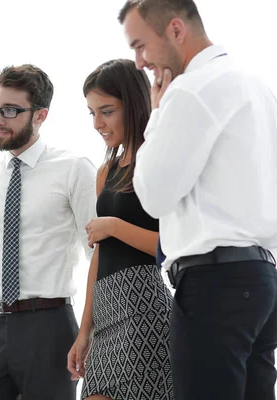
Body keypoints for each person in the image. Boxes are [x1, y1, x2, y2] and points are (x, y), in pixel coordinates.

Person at [119, 1, 277, 399]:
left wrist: (156, 114)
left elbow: (153, 196)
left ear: (175, 30)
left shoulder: (190, 89)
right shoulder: (255, 85)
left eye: (141, 45)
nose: (139, 62)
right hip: (262, 282)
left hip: (215, 286)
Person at [0, 64, 97, 399]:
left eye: (11, 110)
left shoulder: (73, 170)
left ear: (41, 115)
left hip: (49, 327)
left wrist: (91, 329)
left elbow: (98, 255)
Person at [67, 59, 173, 400]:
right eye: (92, 112)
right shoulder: (105, 172)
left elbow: (172, 244)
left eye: (107, 111)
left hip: (146, 311)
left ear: (134, 104)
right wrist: (85, 331)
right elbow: (99, 255)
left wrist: (114, 225)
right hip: (107, 312)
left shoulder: (156, 164)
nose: (97, 123)